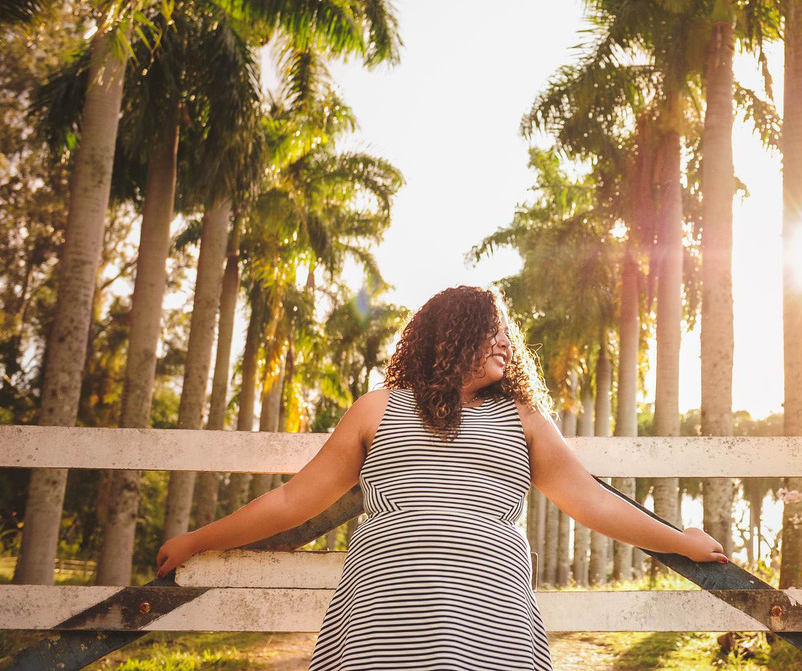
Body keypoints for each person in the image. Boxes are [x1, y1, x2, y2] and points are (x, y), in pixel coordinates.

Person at [156, 285, 728, 669]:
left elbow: (591, 503)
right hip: (382, 620)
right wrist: (196, 541)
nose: (507, 342)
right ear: (451, 336)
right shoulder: (376, 409)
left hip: (492, 621)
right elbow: (290, 501)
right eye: (491, 329)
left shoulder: (523, 419)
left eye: (506, 332)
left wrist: (682, 542)